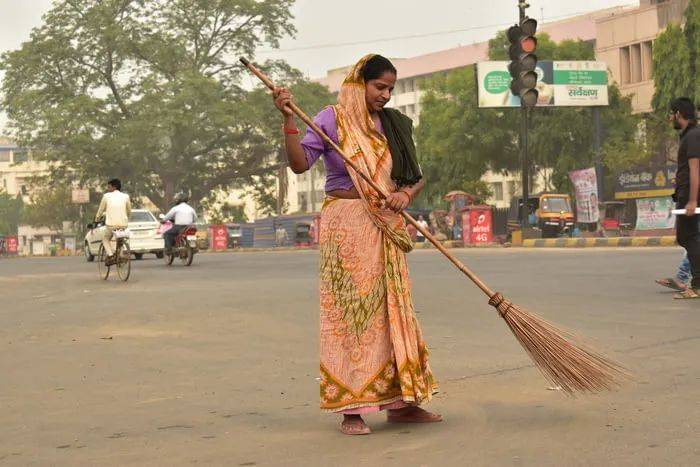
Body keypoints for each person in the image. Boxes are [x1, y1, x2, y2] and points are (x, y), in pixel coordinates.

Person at [273, 54, 440, 435]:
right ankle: (352, 409)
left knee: (392, 311)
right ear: (358, 82)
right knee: (351, 316)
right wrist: (287, 120)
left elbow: (415, 177)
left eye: (390, 89)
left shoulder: (394, 124)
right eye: (379, 87)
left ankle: (401, 403)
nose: (385, 95)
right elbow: (300, 165)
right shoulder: (332, 118)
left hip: (385, 223)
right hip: (346, 225)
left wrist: (405, 196)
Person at [669, 97, 700, 299]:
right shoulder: (689, 135)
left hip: (690, 196)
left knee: (688, 237)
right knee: (687, 237)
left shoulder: (693, 136)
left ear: (679, 114)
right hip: (685, 193)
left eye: (671, 114)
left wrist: (692, 200)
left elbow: (695, 169)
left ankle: (697, 285)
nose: (670, 118)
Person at [95, 178, 131, 264]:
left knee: (105, 238)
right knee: (120, 240)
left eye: (109, 187)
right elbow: (129, 210)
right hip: (123, 224)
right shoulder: (126, 196)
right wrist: (127, 218)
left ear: (114, 187)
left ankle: (111, 255)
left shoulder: (106, 196)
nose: (108, 189)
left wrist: (97, 219)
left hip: (111, 225)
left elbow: (100, 210)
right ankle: (121, 256)